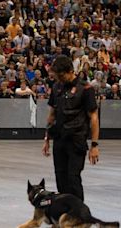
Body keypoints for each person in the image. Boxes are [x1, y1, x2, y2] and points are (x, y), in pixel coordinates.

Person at [42, 55, 100, 201]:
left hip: (77, 140)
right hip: (59, 139)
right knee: (60, 178)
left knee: (73, 178)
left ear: (70, 71)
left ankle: (79, 217)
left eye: (61, 75)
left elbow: (93, 117)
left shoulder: (86, 88)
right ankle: (65, 215)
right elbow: (52, 114)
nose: (59, 78)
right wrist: (47, 138)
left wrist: (94, 145)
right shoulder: (56, 87)